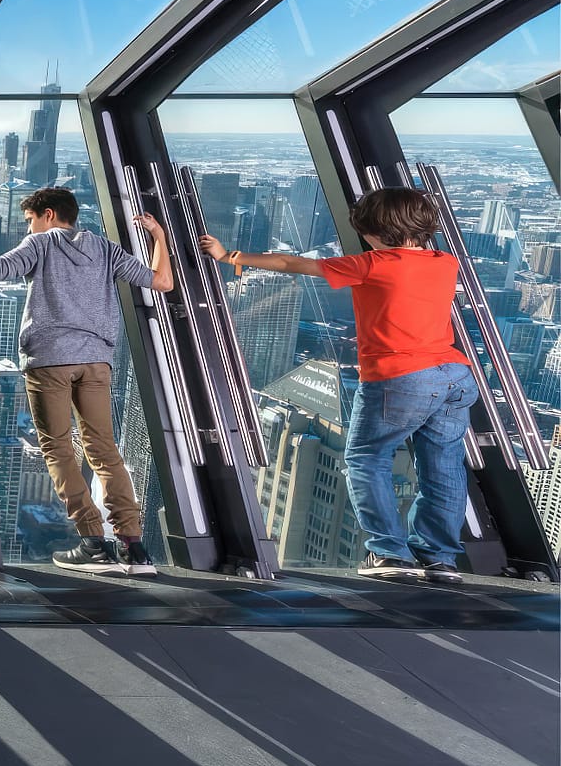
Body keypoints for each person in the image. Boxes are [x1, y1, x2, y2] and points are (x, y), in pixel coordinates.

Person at [200, 186, 476, 583]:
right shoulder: (444, 261)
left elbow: (290, 263)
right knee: (443, 468)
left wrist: (232, 257)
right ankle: (440, 559)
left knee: (366, 459)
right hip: (454, 375)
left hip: (400, 377)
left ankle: (390, 555)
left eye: (365, 231)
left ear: (380, 230)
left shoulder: (375, 263)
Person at [0, 187, 173, 575]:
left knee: (57, 450)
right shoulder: (105, 249)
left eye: (31, 220)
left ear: (49, 215)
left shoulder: (42, 244)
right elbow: (161, 282)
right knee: (104, 449)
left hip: (50, 359)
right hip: (96, 361)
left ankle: (93, 544)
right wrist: (160, 238)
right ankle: (135, 549)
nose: (30, 228)